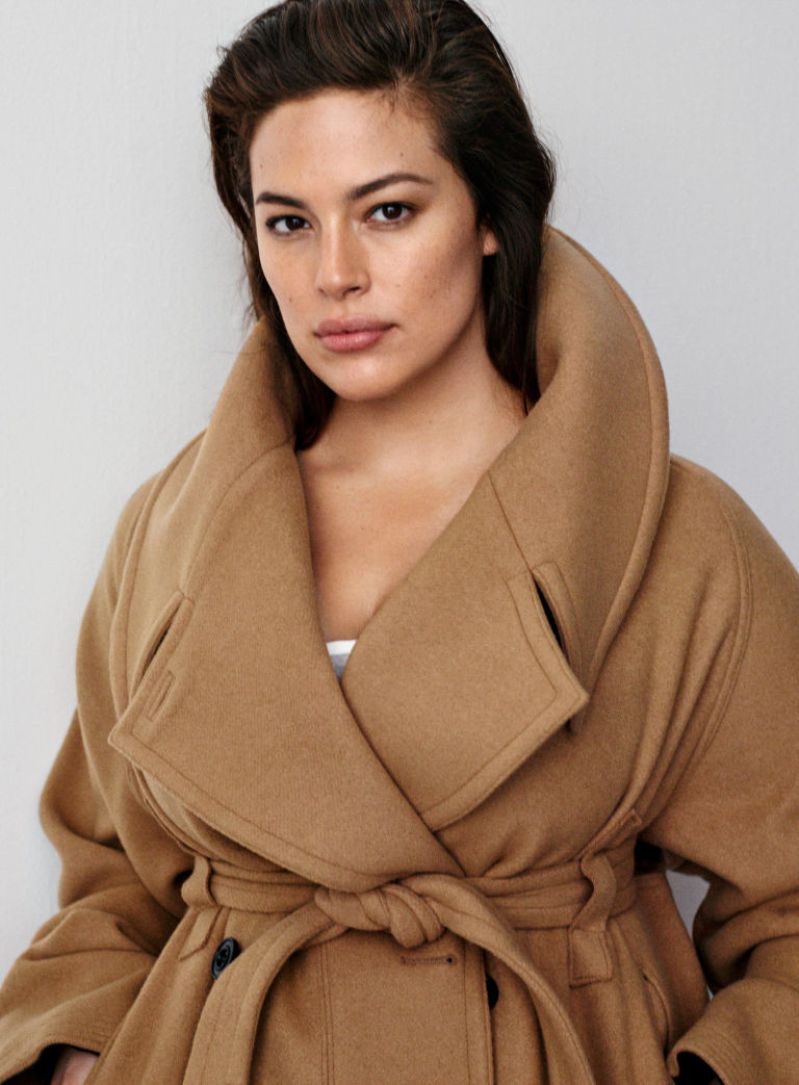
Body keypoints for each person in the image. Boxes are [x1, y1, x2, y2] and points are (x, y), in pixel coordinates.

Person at [0, 0, 797, 1082]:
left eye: (386, 210)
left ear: (486, 213)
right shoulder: (171, 533)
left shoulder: (674, 540)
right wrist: (75, 1058)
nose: (334, 273)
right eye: (289, 222)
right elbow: (111, 877)